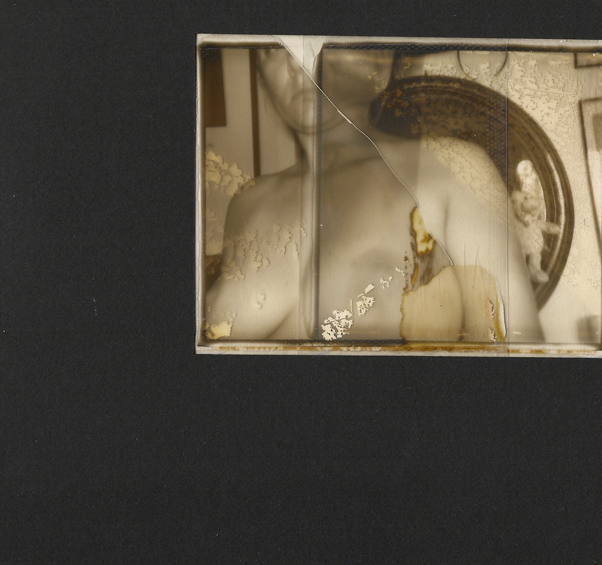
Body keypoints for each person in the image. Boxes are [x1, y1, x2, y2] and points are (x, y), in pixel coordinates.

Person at [204, 45, 543, 344]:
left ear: (378, 62)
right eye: (275, 49)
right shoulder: (248, 201)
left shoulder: (452, 171)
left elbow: (515, 351)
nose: (298, 60)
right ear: (261, 77)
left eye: (319, 39)